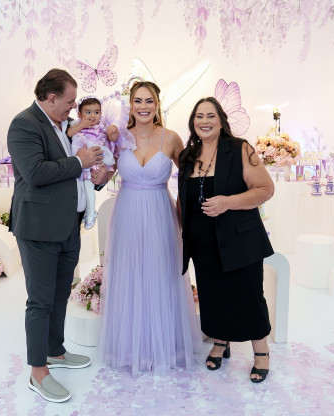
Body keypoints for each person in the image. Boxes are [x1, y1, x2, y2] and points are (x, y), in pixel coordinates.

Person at [7, 68, 107, 403]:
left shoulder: (65, 126)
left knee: (61, 293)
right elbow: (35, 172)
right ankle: (38, 372)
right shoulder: (24, 124)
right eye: (69, 101)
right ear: (51, 98)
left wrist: (99, 177)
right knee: (40, 301)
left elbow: (76, 176)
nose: (73, 107)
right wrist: (79, 161)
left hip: (67, 226)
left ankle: (55, 351)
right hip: (38, 228)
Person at [98, 81, 202, 375]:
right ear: (130, 104)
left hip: (160, 212)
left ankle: (165, 345)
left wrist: (186, 216)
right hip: (128, 212)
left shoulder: (171, 138)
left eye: (149, 101)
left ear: (157, 105)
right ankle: (132, 348)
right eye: (138, 101)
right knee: (130, 273)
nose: (143, 107)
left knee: (161, 272)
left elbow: (190, 179)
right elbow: (104, 174)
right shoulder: (118, 137)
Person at [178, 97, 275, 382]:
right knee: (212, 295)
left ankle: (261, 351)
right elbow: (184, 199)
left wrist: (227, 202)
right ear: (193, 122)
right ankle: (221, 341)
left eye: (211, 116)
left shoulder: (240, 148)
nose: (204, 121)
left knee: (249, 295)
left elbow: (265, 189)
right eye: (199, 116)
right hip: (202, 243)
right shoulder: (187, 156)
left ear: (221, 121)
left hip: (240, 239)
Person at [67, 96, 120, 229]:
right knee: (86, 188)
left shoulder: (101, 127)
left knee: (89, 186)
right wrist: (81, 125)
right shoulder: (76, 125)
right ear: (80, 114)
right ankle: (89, 213)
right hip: (81, 164)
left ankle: (90, 214)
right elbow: (69, 133)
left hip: (96, 161)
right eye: (88, 112)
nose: (92, 116)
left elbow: (113, 138)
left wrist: (113, 129)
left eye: (96, 112)